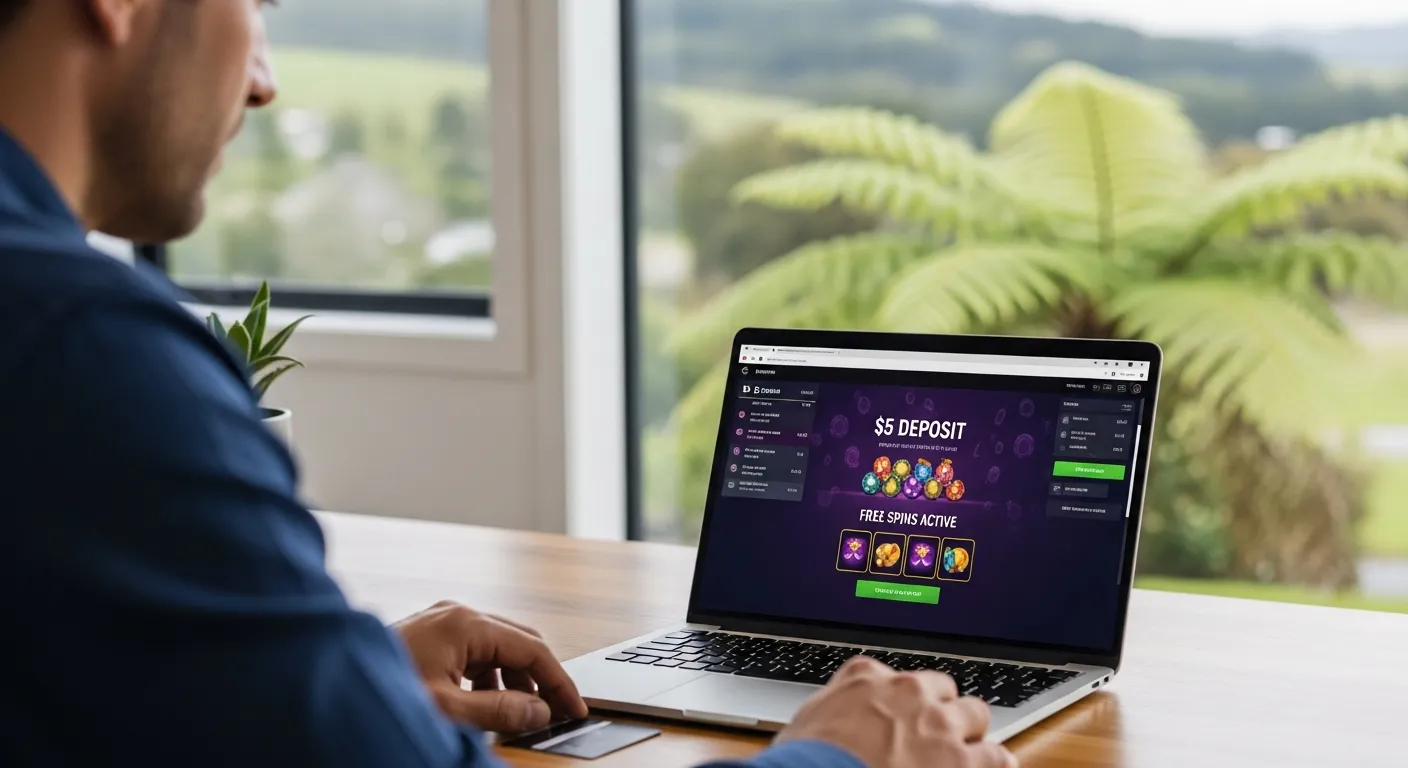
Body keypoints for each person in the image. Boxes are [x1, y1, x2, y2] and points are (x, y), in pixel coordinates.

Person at [0, 2, 1016, 767]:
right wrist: (836, 755)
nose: (262, 78)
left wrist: (330, 685)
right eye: (256, 0)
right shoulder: (84, 351)